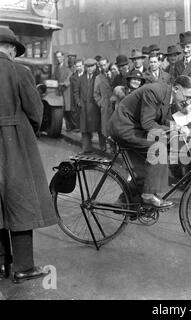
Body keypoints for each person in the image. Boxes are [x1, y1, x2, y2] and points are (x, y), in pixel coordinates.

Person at [0, 27, 56, 283]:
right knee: (21, 201)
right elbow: (36, 112)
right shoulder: (19, 71)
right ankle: (23, 267)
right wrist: (26, 132)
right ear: (10, 48)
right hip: (15, 143)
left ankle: (1, 265)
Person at [108, 75, 191, 208]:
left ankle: (124, 202)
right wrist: (174, 128)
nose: (188, 102)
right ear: (176, 88)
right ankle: (149, 195)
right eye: (187, 97)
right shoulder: (154, 92)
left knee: (143, 170)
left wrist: (176, 126)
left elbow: (158, 120)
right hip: (124, 128)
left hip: (134, 127)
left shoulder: (168, 95)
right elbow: (148, 123)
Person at [74, 58, 106, 153]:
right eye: (87, 66)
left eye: (91, 66)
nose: (89, 68)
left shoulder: (100, 77)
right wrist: (78, 102)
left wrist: (100, 103)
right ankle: (86, 148)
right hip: (84, 108)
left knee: (100, 128)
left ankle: (103, 147)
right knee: (85, 129)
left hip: (96, 108)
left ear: (95, 66)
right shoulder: (81, 78)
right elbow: (76, 92)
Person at [53, 50, 74, 131]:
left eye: (60, 57)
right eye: (57, 57)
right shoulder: (57, 68)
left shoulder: (68, 68)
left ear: (63, 57)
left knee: (67, 110)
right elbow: (54, 78)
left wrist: (64, 84)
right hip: (59, 90)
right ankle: (69, 126)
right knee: (62, 109)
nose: (58, 58)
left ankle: (71, 126)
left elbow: (70, 77)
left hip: (66, 91)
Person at [94, 57, 113, 140]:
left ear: (108, 64)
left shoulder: (114, 74)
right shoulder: (98, 78)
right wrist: (101, 103)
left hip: (115, 104)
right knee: (106, 127)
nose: (103, 67)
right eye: (101, 65)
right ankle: (108, 146)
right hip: (105, 105)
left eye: (104, 65)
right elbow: (95, 94)